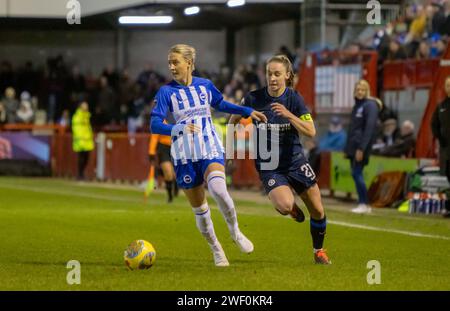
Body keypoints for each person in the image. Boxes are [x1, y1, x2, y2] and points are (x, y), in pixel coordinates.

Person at [150, 44, 267, 267]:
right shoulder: (166, 92)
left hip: (209, 144)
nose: (171, 67)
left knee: (219, 190)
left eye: (176, 62)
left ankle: (235, 232)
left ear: (189, 63)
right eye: (169, 63)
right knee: (201, 209)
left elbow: (221, 104)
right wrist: (177, 129)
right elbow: (155, 124)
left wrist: (247, 111)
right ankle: (216, 248)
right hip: (184, 153)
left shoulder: (205, 86)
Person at [229, 54, 331, 265]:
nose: (272, 78)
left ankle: (319, 251)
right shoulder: (253, 98)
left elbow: (311, 131)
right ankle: (292, 210)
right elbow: (234, 119)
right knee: (284, 205)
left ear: (287, 75)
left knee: (318, 210)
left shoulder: (294, 99)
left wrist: (289, 115)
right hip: (270, 164)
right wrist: (230, 150)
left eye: (277, 74)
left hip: (295, 160)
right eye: (269, 74)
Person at [344, 80, 381, 214]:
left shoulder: (370, 105)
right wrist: (348, 149)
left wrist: (362, 148)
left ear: (367, 91)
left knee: (357, 173)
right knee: (355, 174)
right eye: (358, 89)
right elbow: (353, 129)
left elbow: (369, 129)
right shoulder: (357, 106)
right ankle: (362, 203)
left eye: (362, 90)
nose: (360, 92)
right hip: (353, 147)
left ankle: (365, 203)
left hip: (361, 147)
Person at [431, 76, 450, 217]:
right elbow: (434, 124)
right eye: (448, 85)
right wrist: (440, 138)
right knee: (449, 177)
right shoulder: (441, 106)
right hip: (446, 149)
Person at [148, 125, 178, 203]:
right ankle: (170, 195)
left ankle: (176, 185)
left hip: (177, 147)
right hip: (163, 147)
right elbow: (154, 136)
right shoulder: (161, 118)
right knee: (167, 172)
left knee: (174, 173)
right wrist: (151, 151)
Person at [72, 101, 94, 180]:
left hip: (87, 140)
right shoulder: (77, 116)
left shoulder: (87, 116)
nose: (86, 107)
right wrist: (80, 138)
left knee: (86, 159)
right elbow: (77, 128)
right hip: (81, 140)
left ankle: (82, 173)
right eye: (85, 106)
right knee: (81, 158)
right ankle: (80, 174)